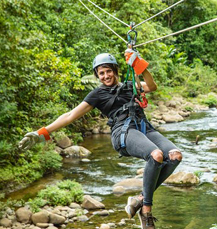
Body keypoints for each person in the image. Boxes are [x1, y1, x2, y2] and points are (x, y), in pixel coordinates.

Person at [18, 51, 183, 229]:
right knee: (156, 155)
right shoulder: (97, 94)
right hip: (123, 132)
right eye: (101, 73)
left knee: (175, 155)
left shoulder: (130, 85)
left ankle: (139, 199)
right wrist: (41, 132)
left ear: (115, 70)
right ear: (97, 75)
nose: (105, 76)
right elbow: (70, 115)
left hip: (144, 128)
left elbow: (151, 86)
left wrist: (140, 66)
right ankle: (146, 212)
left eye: (108, 71)